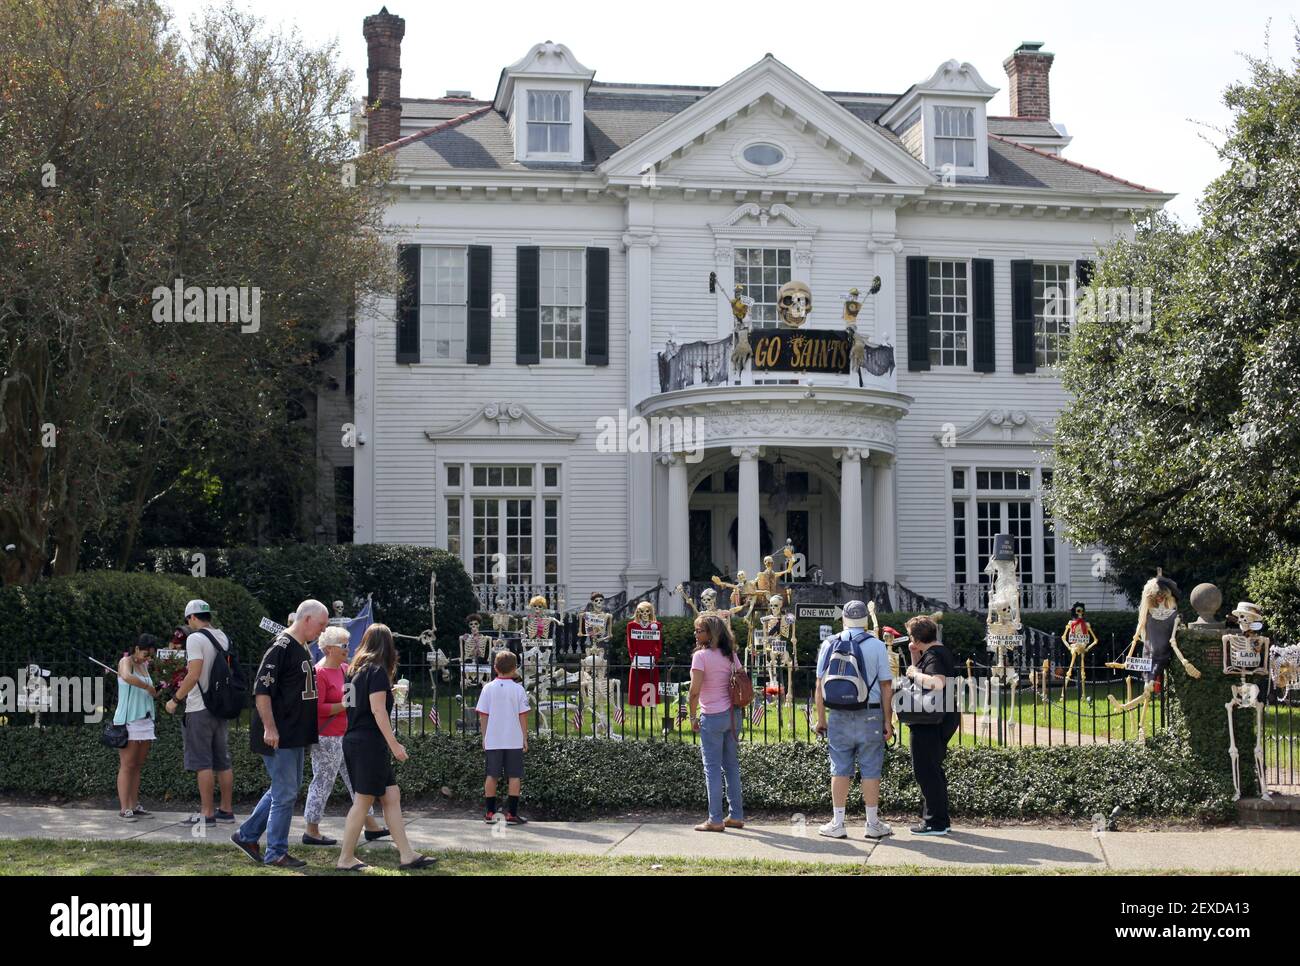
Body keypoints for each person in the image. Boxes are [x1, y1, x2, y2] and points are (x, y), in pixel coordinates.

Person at [230, 600, 328, 868]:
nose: (322, 631)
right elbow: (262, 690)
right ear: (307, 619)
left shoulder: (302, 646)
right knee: (285, 792)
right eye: (321, 625)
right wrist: (270, 728)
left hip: (295, 733)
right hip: (280, 733)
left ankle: (247, 834)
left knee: (284, 789)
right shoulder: (281, 646)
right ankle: (276, 852)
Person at [335, 623, 435, 872]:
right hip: (370, 743)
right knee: (362, 801)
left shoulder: (353, 671)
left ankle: (407, 855)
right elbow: (378, 711)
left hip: (354, 739)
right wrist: (395, 745)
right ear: (386, 645)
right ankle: (345, 858)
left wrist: (385, 692)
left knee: (391, 796)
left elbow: (349, 704)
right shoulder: (377, 671)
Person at [814, 601, 894, 840]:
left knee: (839, 768)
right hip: (870, 713)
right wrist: (887, 721)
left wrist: (821, 719)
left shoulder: (829, 643)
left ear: (844, 619)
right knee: (871, 768)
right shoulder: (877, 645)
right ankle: (872, 823)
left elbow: (819, 685)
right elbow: (886, 685)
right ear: (866, 621)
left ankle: (838, 823)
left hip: (837, 714)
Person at [301, 625, 387, 846]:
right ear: (329, 649)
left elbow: (356, 699)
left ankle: (371, 826)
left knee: (357, 782)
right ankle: (311, 830)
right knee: (323, 782)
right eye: (343, 645)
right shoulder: (318, 672)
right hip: (327, 736)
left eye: (348, 645)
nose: (348, 649)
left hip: (346, 735)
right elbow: (317, 708)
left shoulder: (345, 670)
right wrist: (344, 706)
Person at [165, 599, 235, 827]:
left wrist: (175, 699)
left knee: (203, 762)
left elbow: (193, 674)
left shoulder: (195, 638)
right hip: (220, 706)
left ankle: (207, 813)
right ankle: (226, 810)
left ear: (192, 617)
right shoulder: (222, 636)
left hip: (199, 707)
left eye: (188, 619)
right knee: (222, 761)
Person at [903, 615, 959, 836]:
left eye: (911, 637)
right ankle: (938, 820)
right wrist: (914, 654)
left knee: (926, 771)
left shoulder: (935, 655)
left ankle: (935, 822)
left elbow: (936, 682)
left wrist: (915, 674)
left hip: (930, 720)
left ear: (917, 637)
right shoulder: (937, 652)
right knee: (933, 770)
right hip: (939, 717)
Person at [688, 614, 744, 832]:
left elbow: (694, 692)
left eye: (699, 630)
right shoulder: (730, 655)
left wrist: (693, 717)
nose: (696, 634)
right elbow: (740, 678)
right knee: (731, 766)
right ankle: (736, 816)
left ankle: (715, 819)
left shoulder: (700, 657)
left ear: (711, 633)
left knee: (712, 768)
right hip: (733, 715)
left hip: (711, 716)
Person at [476, 650, 531, 824]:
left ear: (495, 668)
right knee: (514, 776)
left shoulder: (487, 688)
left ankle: (490, 813)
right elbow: (523, 716)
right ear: (515, 669)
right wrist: (524, 737)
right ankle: (512, 814)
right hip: (514, 739)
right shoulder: (518, 689)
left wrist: (484, 737)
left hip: (493, 739)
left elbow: (483, 715)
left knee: (491, 775)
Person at [113, 633, 160, 822]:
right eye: (145, 654)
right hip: (129, 720)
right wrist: (146, 687)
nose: (147, 659)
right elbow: (125, 676)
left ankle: (134, 804)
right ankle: (125, 808)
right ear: (137, 649)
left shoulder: (143, 666)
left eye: (150, 656)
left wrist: (153, 690)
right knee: (127, 765)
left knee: (138, 766)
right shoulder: (126, 661)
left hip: (145, 720)